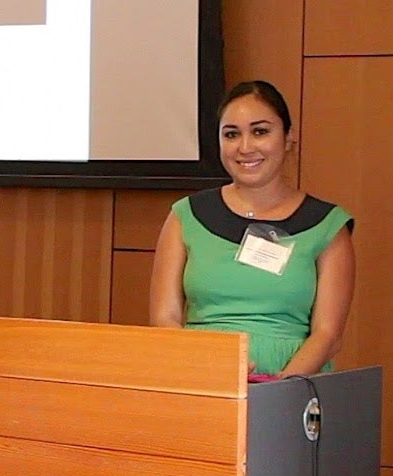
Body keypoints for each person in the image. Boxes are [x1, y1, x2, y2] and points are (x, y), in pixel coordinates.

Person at [149, 80, 356, 377]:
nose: (245, 147)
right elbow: (164, 317)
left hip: (292, 388)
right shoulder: (186, 215)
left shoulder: (327, 224)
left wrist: (279, 391)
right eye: (232, 134)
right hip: (201, 378)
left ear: (287, 137)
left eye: (260, 132)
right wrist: (211, 368)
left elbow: (328, 334)